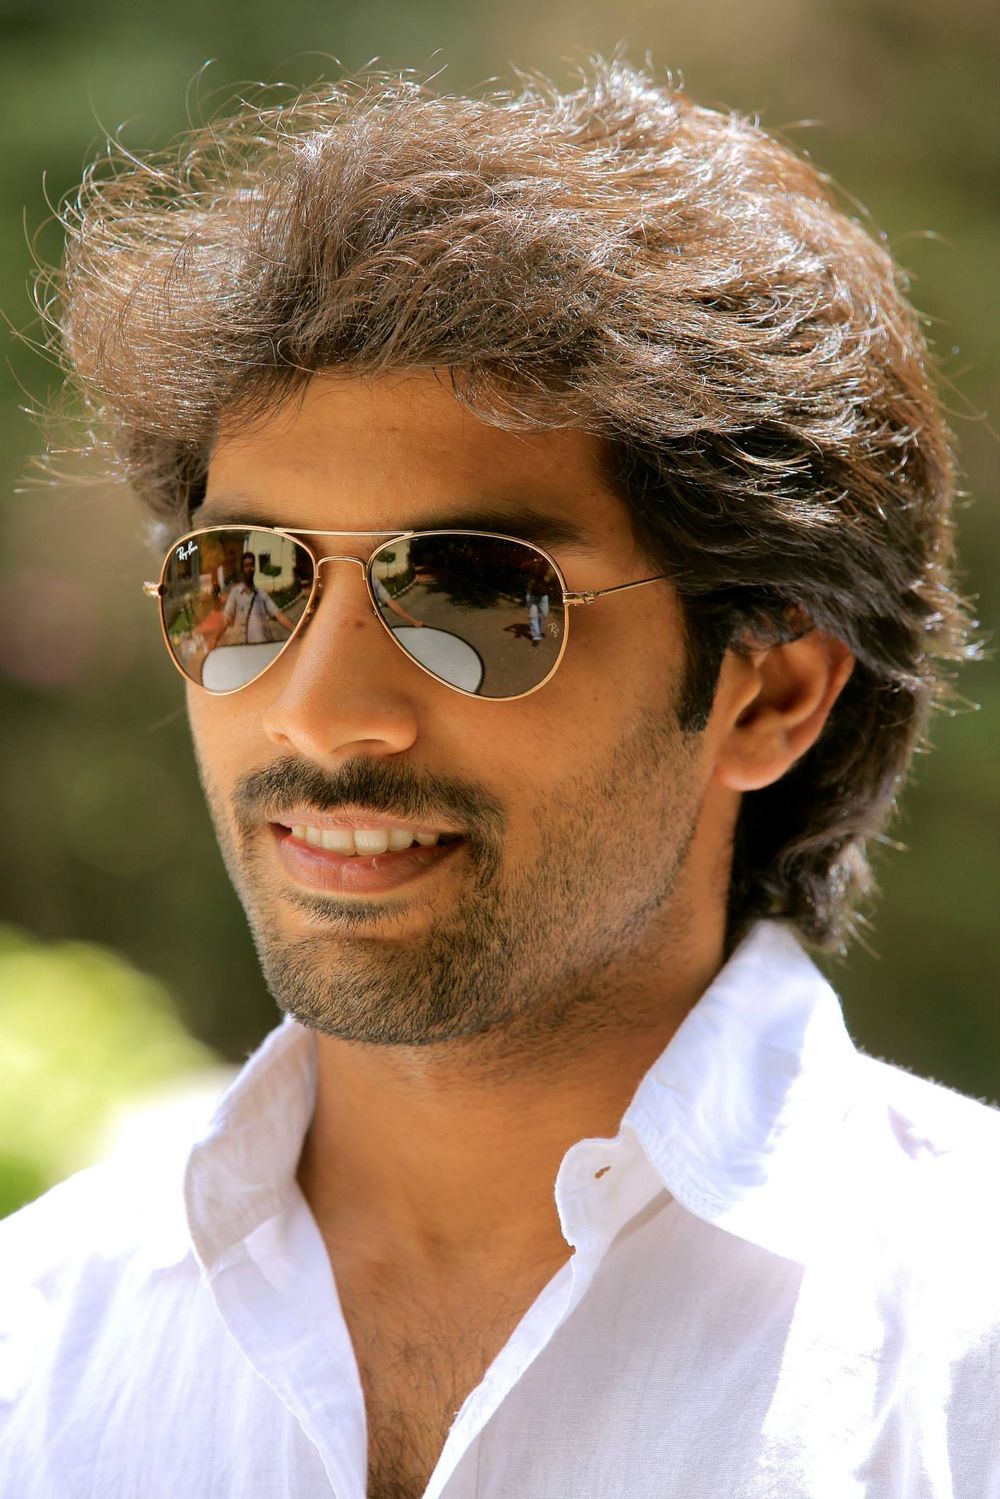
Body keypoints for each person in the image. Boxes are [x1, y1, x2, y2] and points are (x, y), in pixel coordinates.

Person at [1, 61, 996, 1499]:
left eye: (472, 593)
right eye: (249, 580)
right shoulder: (38, 1358)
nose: (320, 712)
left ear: (769, 693)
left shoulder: (964, 1362)